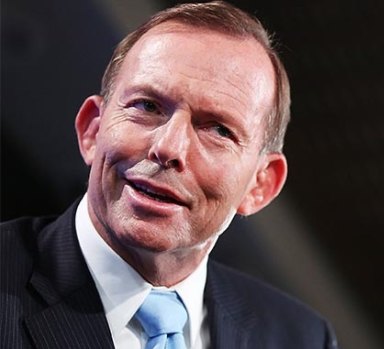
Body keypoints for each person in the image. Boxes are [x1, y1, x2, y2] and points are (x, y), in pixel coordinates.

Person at [0, 2, 338, 348]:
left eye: (218, 130)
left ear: (260, 184)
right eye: (147, 106)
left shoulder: (302, 337)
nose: (168, 147)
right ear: (92, 129)